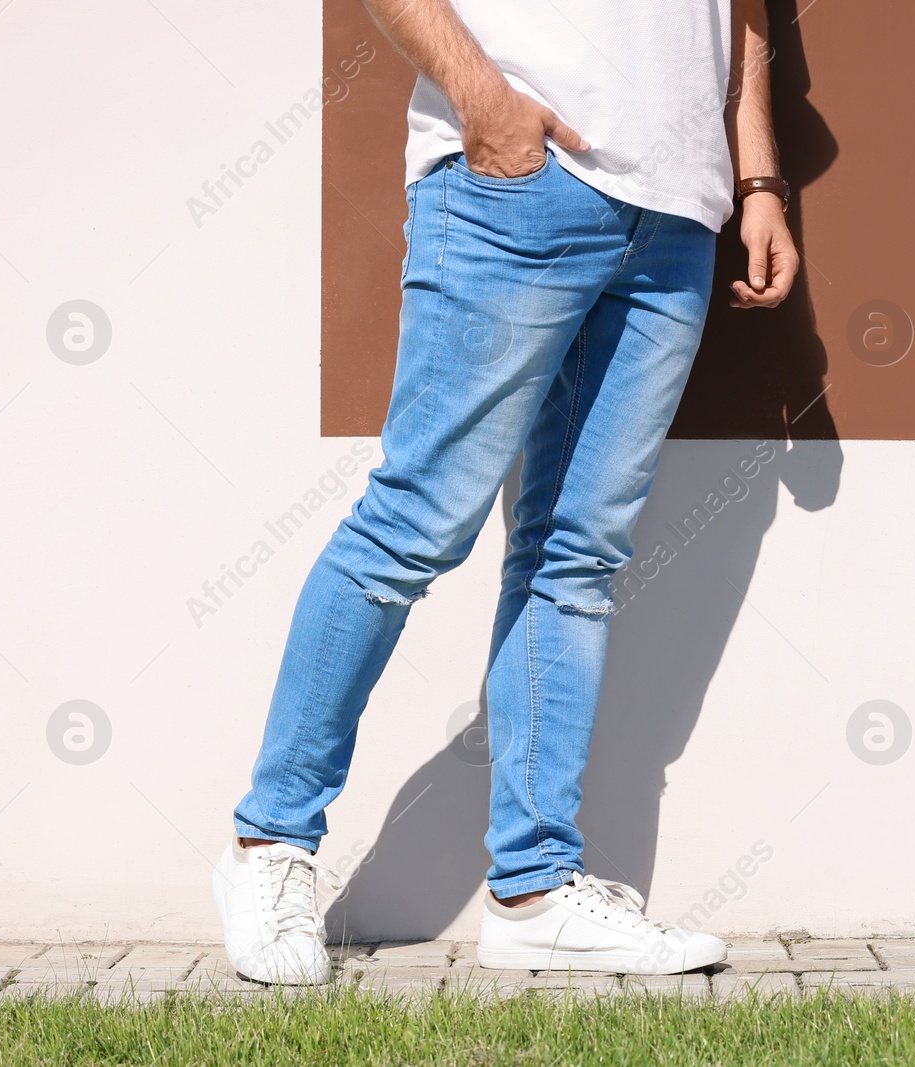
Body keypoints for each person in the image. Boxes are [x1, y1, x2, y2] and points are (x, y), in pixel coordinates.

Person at [212, 0, 799, 984]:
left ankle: (534, 889)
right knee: (411, 525)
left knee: (578, 554)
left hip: (675, 220)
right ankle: (267, 847)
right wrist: (483, 102)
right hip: (517, 184)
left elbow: (744, 16)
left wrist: (758, 175)